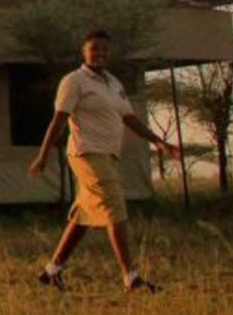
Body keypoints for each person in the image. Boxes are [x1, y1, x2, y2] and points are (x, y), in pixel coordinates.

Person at [28, 29, 181, 293]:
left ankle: (52, 271)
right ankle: (131, 278)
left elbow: (129, 118)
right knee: (114, 204)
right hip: (86, 153)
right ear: (84, 51)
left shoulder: (113, 83)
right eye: (94, 49)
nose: (99, 54)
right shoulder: (74, 81)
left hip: (109, 155)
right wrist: (42, 155)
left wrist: (159, 141)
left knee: (84, 214)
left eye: (104, 50)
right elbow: (59, 119)